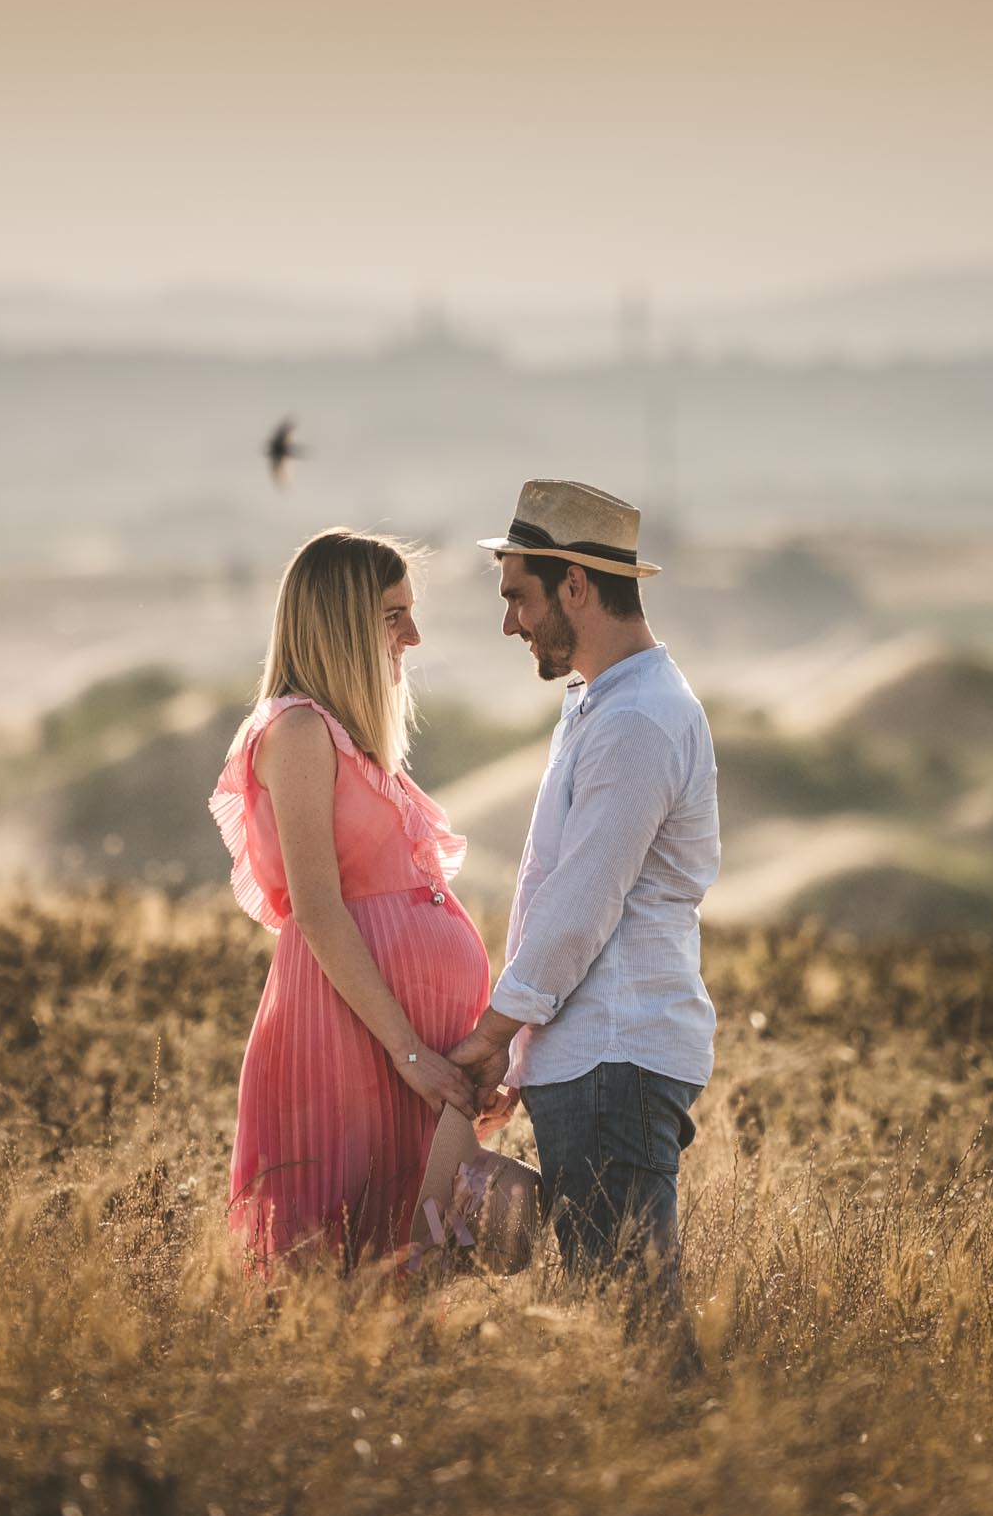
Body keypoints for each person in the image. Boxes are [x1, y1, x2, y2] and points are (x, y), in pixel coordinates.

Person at [447, 479, 721, 1325]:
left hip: (616, 1062)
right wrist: (527, 1062)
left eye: (518, 597)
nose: (509, 623)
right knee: (616, 1322)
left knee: (632, 1330)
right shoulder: (602, 703)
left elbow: (579, 906)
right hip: (598, 1062)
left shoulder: (637, 718)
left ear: (575, 584)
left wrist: (494, 1036)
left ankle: (679, 1455)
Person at [208, 529, 490, 1273]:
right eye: (395, 615)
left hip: (398, 1052)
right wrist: (408, 1053)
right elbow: (321, 909)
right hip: (349, 1044)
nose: (413, 636)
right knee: (339, 1274)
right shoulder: (300, 732)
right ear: (342, 620)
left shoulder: (348, 739)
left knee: (413, 1276)